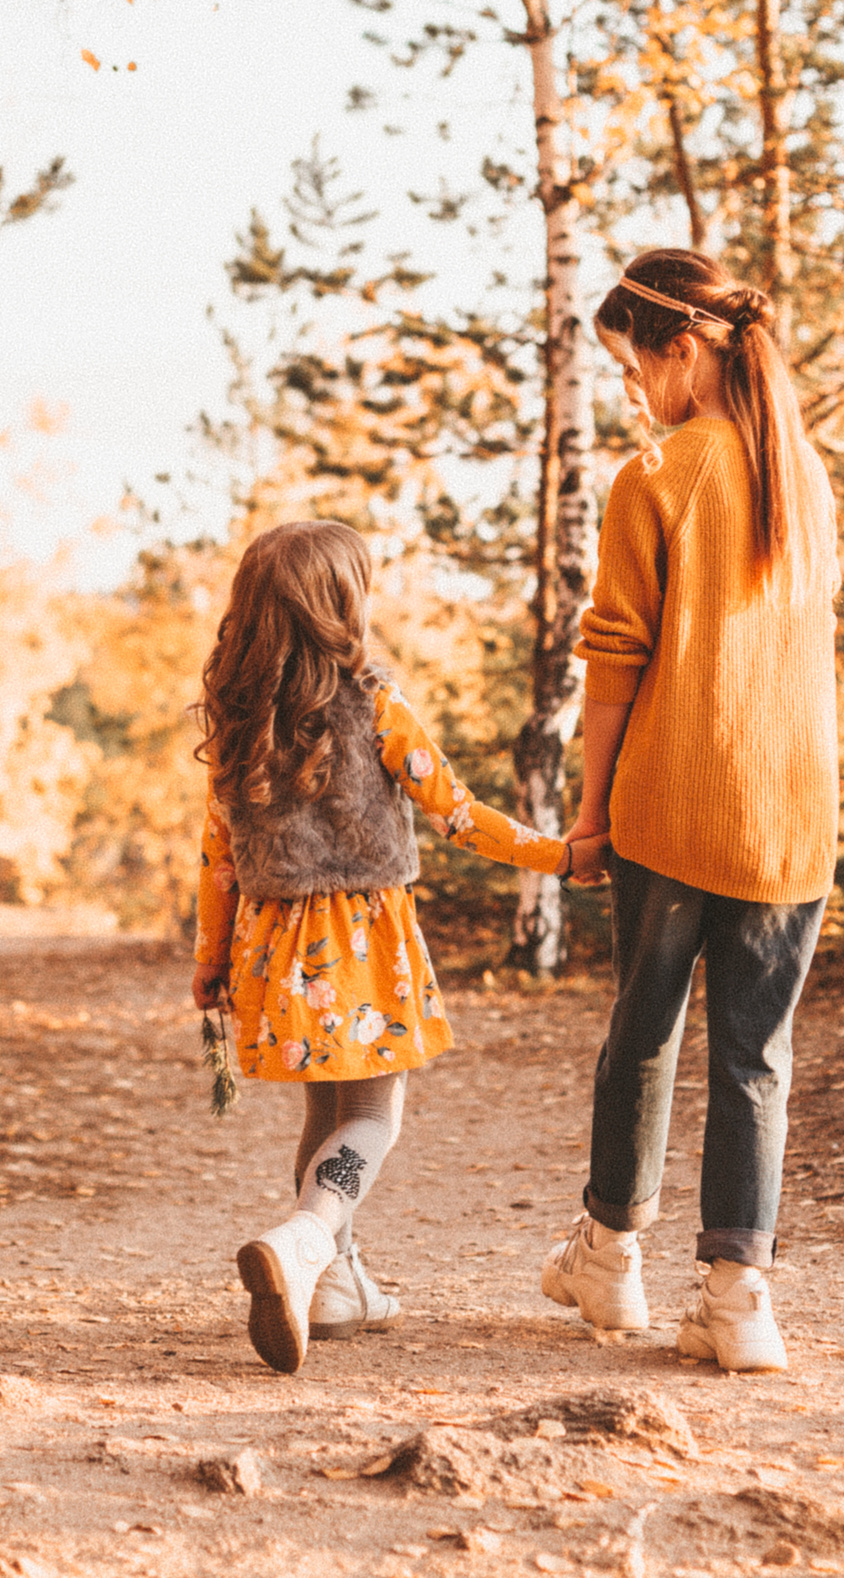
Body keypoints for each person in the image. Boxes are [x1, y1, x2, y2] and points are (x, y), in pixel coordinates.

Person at [192, 520, 607, 1375]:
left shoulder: (237, 726)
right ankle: (309, 1239)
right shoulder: (375, 703)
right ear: (343, 607)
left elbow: (217, 858)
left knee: (323, 1111)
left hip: (273, 946)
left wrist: (210, 960)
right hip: (364, 941)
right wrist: (560, 856)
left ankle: (337, 1284)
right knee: (376, 1115)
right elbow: (456, 812)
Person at [538, 248, 841, 1374]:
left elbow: (614, 659)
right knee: (756, 1055)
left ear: (684, 350)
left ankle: (610, 1252)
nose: (632, 390)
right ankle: (738, 1295)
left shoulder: (656, 472)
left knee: (644, 1034)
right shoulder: (802, 475)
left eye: (634, 365)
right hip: (790, 813)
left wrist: (589, 809)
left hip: (672, 803)